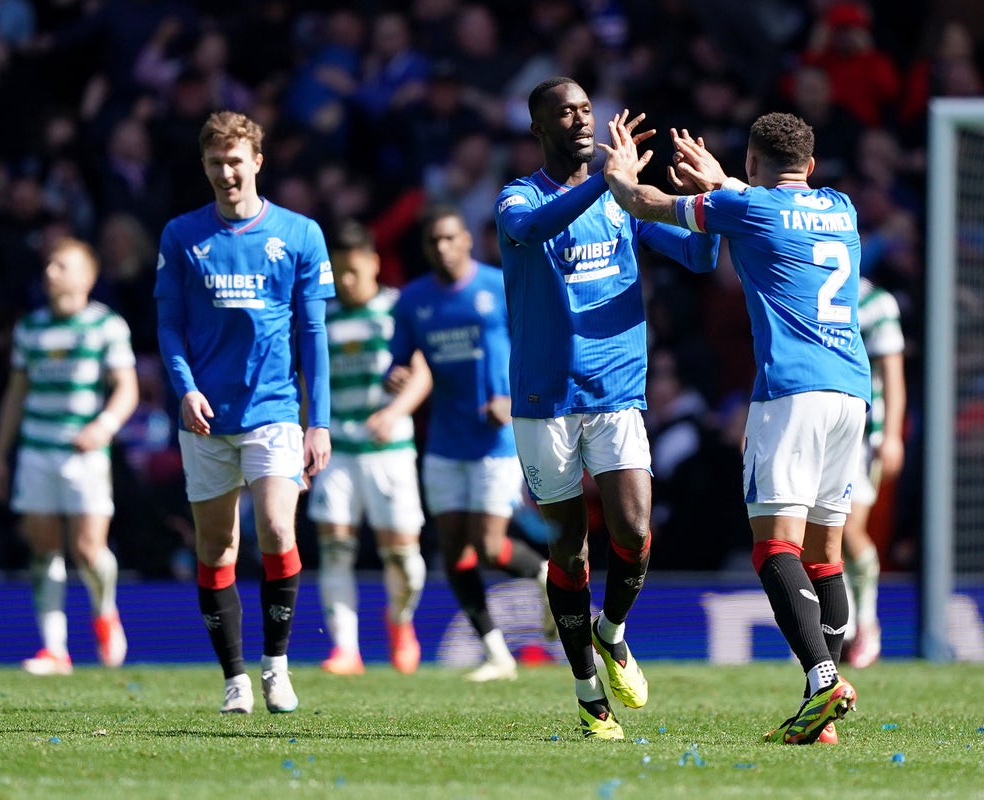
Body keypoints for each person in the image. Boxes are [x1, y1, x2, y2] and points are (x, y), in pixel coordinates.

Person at [600, 110, 870, 744]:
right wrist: (724, 181)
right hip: (852, 394)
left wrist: (615, 175)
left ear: (751, 162)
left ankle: (824, 680)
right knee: (825, 555)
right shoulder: (841, 207)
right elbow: (771, 204)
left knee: (774, 547)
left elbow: (648, 203)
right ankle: (819, 711)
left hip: (791, 394)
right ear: (813, 164)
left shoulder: (749, 211)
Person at [493, 77, 719, 740]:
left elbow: (700, 258)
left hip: (616, 393)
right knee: (567, 546)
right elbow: (533, 228)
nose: (581, 119)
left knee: (636, 531)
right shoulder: (519, 198)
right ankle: (590, 695)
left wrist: (698, 199)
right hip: (544, 400)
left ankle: (611, 634)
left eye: (587, 108)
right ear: (539, 128)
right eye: (564, 111)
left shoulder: (619, 203)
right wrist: (612, 184)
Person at [154, 110, 334, 714]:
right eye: (215, 163)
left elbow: (313, 333)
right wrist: (184, 386)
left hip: (274, 411)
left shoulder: (301, 233)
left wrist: (319, 421)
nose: (226, 172)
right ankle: (233, 678)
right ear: (204, 167)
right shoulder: (181, 235)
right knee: (217, 548)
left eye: (236, 161)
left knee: (279, 530)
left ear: (257, 161)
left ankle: (276, 667)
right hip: (205, 416)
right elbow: (170, 325)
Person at [390, 204, 554, 683]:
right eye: (433, 241)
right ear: (426, 249)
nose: (442, 248)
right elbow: (398, 361)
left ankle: (545, 574)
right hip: (444, 440)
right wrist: (394, 377)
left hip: (495, 440)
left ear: (466, 241)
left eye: (449, 238)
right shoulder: (413, 301)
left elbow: (535, 343)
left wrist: (515, 397)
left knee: (486, 544)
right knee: (453, 550)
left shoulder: (498, 285)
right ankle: (496, 653)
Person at [0, 237, 139, 675]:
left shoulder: (106, 325)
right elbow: (17, 394)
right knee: (44, 548)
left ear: (87, 276)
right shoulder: (30, 328)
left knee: (89, 550)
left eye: (62, 265)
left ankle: (104, 612)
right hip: (37, 450)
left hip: (84, 454)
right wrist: (1, 453)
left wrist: (103, 426)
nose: (51, 271)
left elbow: (126, 388)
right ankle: (55, 649)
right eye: (49, 264)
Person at [307, 219, 431, 677]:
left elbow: (422, 372)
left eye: (354, 270)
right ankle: (345, 649)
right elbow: (309, 383)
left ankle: (400, 622)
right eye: (339, 271)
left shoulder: (398, 308)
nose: (346, 280)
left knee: (403, 556)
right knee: (335, 549)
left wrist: (396, 411)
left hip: (390, 448)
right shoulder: (323, 316)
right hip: (339, 449)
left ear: (374, 263)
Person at [841, 276, 905, 669]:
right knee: (817, 532)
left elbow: (893, 375)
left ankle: (865, 623)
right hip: (813, 426)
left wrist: (893, 435)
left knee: (847, 530)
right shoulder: (801, 283)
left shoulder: (876, 301)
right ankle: (842, 627)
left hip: (862, 433)